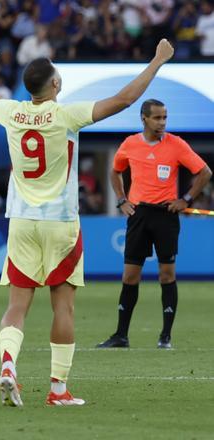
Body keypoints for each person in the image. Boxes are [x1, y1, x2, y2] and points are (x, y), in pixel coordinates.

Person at [0, 39, 175, 407]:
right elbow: (124, 99)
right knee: (62, 307)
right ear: (54, 85)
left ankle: (8, 366)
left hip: (21, 221)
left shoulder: (11, 112)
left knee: (17, 305)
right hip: (61, 224)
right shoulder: (66, 115)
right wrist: (158, 61)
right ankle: (57, 390)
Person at [96, 99, 212, 349]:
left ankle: (165, 336)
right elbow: (115, 171)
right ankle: (121, 336)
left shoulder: (176, 144)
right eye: (157, 118)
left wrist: (186, 199)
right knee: (130, 276)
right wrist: (121, 201)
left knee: (166, 275)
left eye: (165, 118)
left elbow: (205, 172)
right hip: (138, 215)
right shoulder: (130, 144)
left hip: (165, 216)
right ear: (144, 119)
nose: (162, 123)